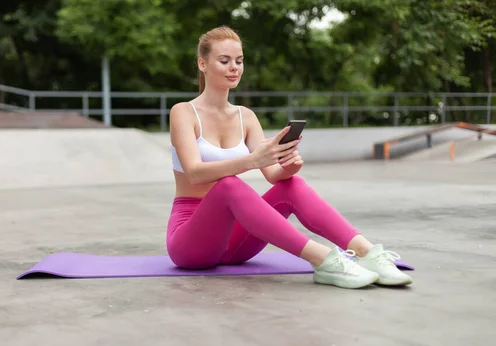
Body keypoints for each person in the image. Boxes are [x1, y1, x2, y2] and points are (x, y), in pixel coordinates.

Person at [166, 25, 412, 289]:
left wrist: (286, 167)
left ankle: (367, 253)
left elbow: (272, 175)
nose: (234, 67)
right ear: (203, 64)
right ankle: (324, 260)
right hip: (191, 241)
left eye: (239, 61)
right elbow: (194, 171)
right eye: (224, 61)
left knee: (292, 186)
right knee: (230, 185)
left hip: (234, 243)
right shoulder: (183, 112)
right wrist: (252, 160)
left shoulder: (245, 117)